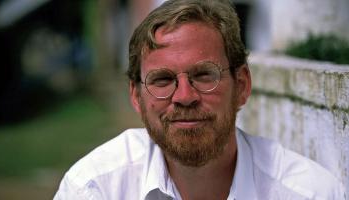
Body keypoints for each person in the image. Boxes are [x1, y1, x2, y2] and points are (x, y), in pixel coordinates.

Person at [54, 0, 346, 199]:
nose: (184, 97)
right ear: (136, 96)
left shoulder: (308, 192)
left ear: (242, 85)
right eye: (163, 80)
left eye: (204, 75)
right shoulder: (95, 188)